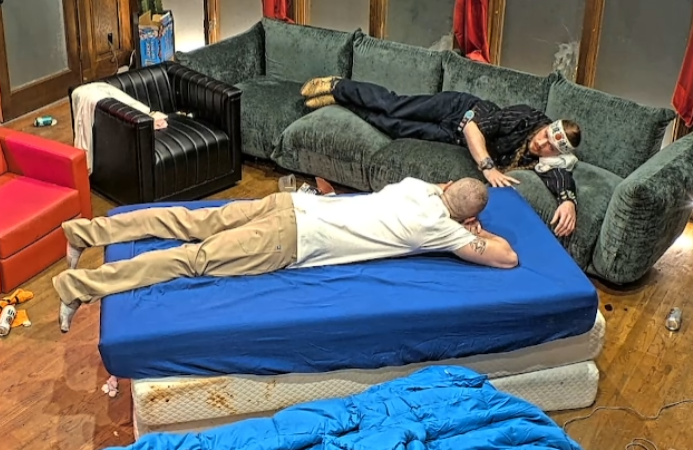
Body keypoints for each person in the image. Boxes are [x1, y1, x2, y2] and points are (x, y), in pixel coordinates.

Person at [54, 177, 518, 333]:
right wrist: (472, 230)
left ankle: (83, 232)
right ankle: (77, 288)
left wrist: (458, 211)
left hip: (290, 204)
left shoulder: (418, 188)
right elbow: (506, 258)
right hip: (290, 238)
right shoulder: (441, 229)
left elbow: (447, 189)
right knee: (189, 259)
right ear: (467, 217)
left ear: (448, 186)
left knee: (189, 221)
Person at [301, 76, 582, 238]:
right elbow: (472, 127)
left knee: (392, 126)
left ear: (557, 153)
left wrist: (568, 201)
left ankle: (341, 103)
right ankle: (339, 86)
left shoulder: (549, 160)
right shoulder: (526, 117)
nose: (541, 142)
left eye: (550, 146)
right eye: (545, 134)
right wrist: (488, 167)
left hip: (451, 136)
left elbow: (559, 176)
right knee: (394, 106)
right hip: (459, 110)